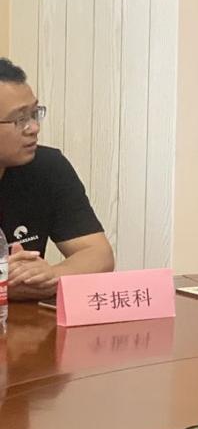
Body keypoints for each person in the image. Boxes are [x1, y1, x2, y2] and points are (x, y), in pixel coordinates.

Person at [0, 58, 115, 300]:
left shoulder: (47, 167)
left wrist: (51, 275)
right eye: (20, 119)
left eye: (34, 114)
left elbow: (98, 254)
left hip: (27, 320)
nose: (34, 127)